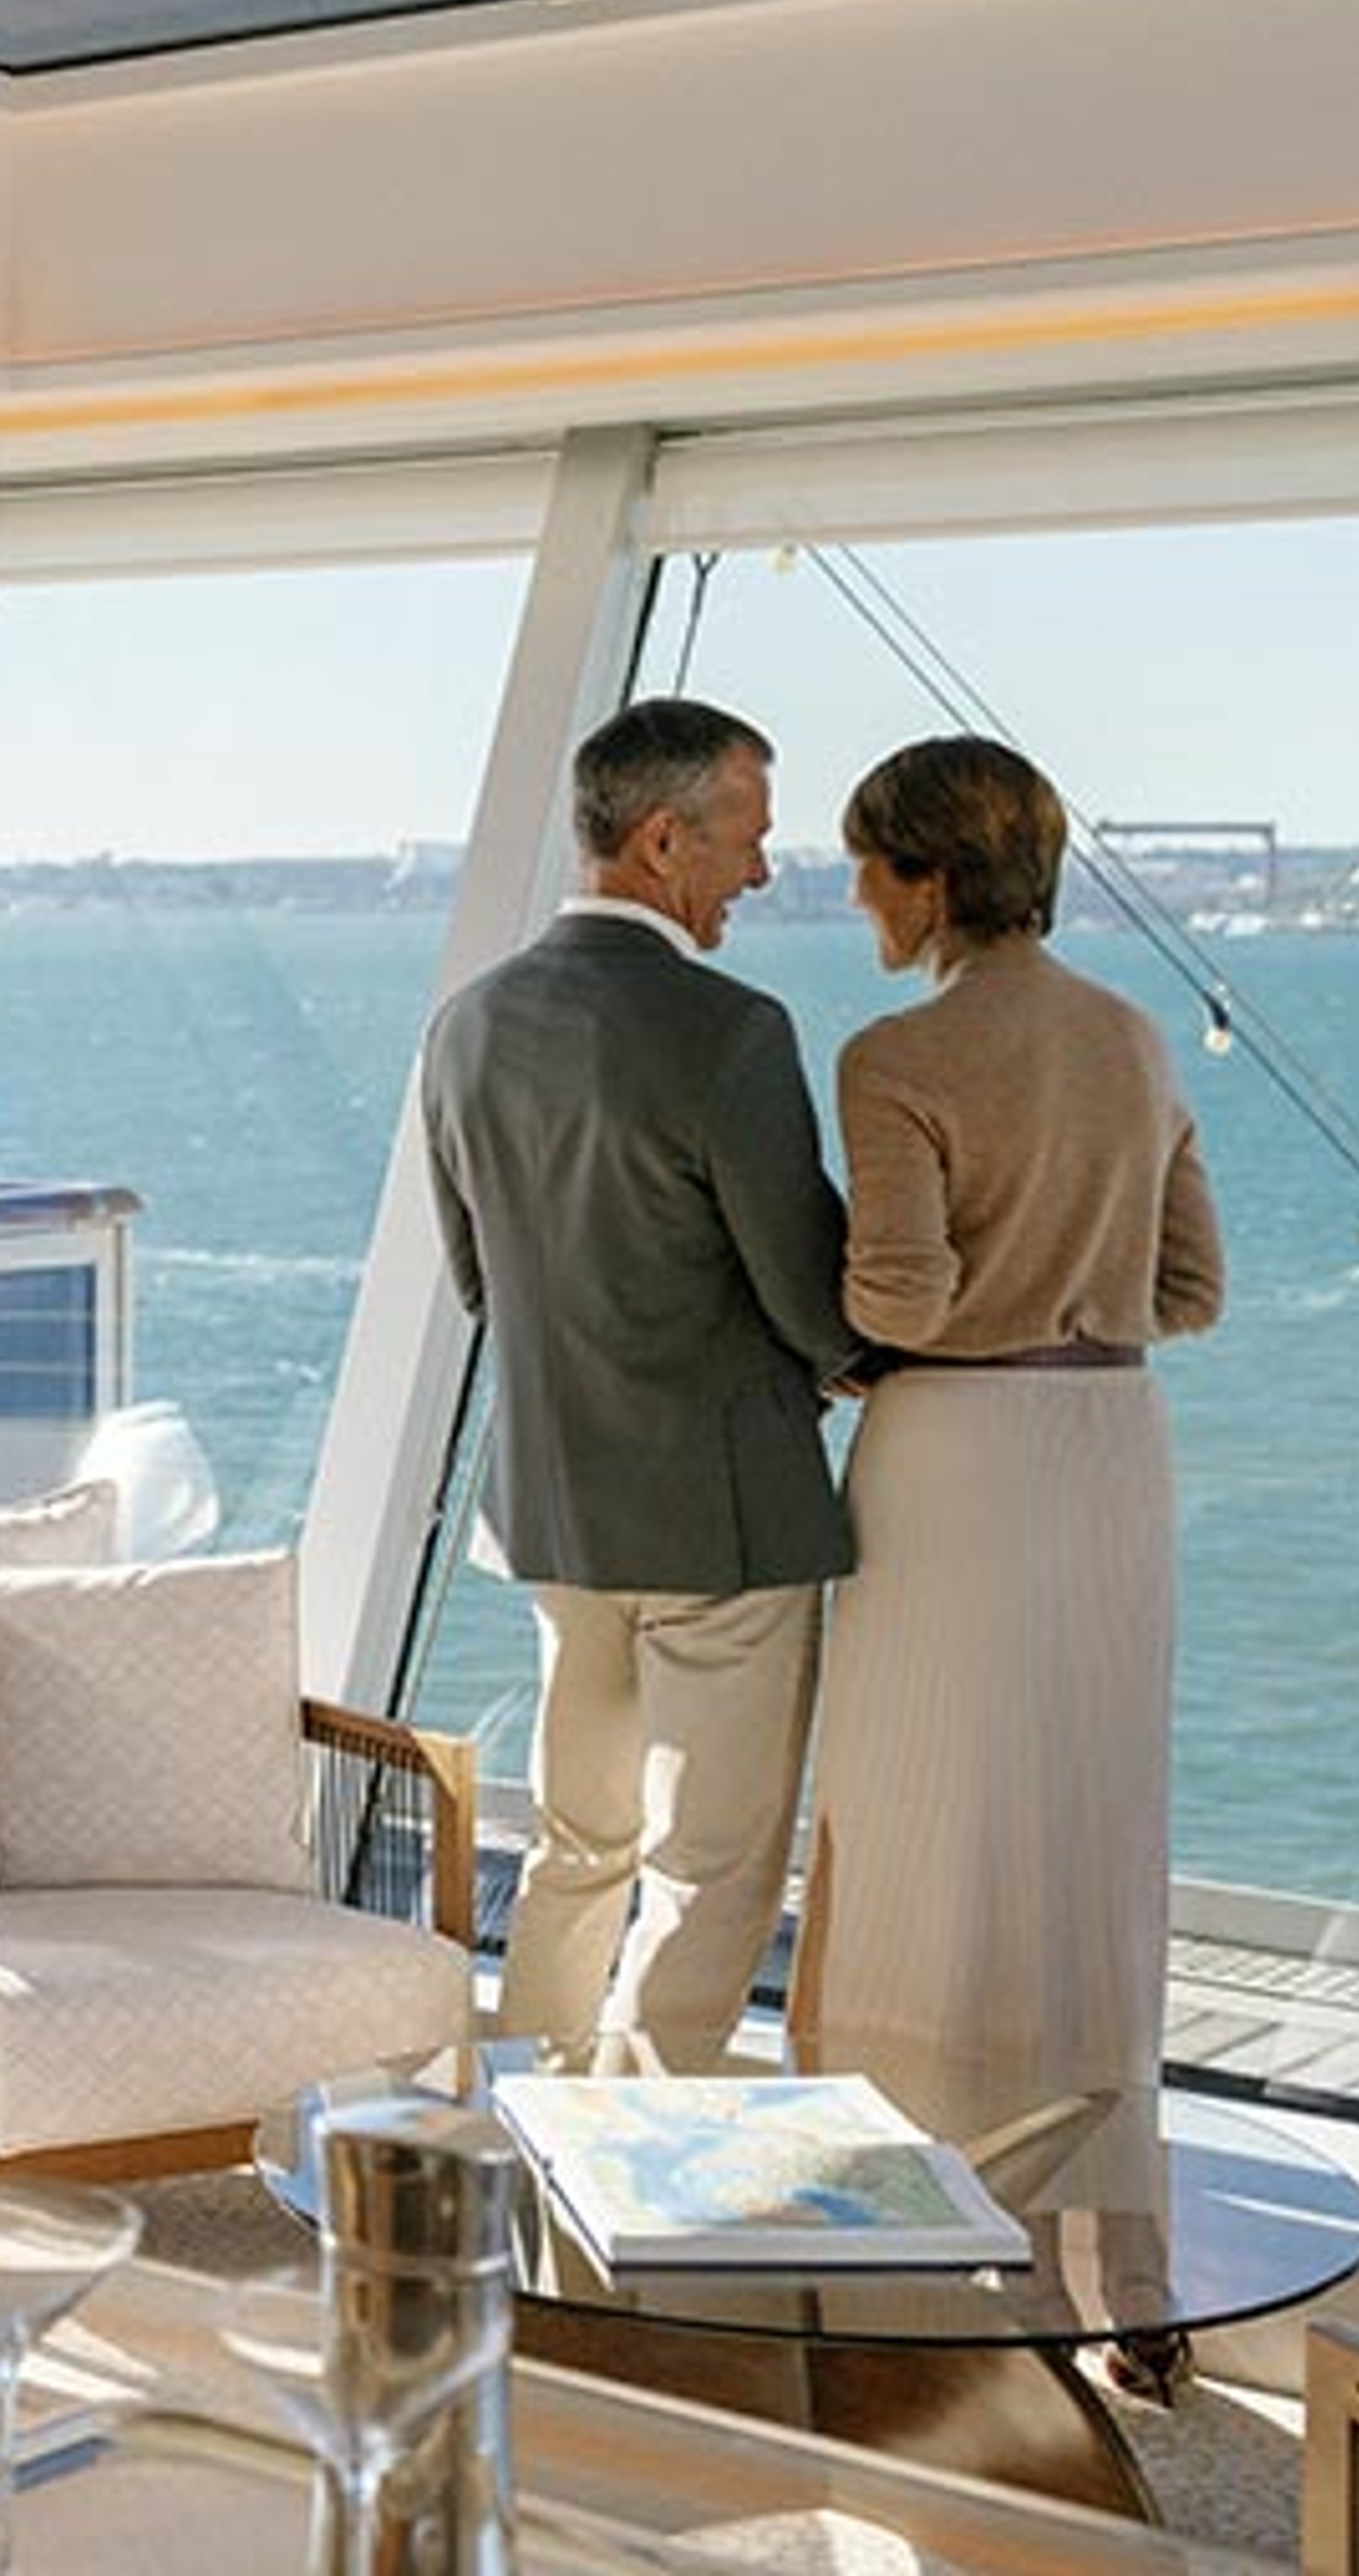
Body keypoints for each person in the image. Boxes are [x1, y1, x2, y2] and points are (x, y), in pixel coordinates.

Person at [788, 735, 1224, 2137]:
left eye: (869, 861)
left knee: (917, 1800)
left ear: (930, 878)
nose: (854, 890)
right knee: (1085, 1816)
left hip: (957, 1459)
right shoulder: (1133, 1038)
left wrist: (845, 1351)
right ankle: (1086, 2156)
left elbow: (899, 1294)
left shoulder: (897, 1056)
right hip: (1111, 1449)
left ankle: (888, 2155)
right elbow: (1191, 1292)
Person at [422, 696, 856, 2075]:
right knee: (712, 1866)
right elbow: (812, 1293)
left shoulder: (465, 1026)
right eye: (748, 839)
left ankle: (519, 2114)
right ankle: (634, 2159)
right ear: (666, 840)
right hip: (721, 1532)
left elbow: (484, 1286)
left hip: (558, 1518)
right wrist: (855, 1364)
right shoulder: (731, 1032)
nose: (762, 873)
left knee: (579, 1841)